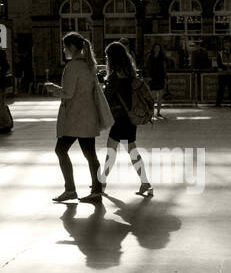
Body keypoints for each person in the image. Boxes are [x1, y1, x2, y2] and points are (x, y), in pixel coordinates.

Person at [44, 31, 105, 203]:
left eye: (65, 47)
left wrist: (53, 88)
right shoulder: (89, 65)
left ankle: (70, 189)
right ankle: (97, 190)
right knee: (90, 154)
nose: (64, 51)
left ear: (71, 47)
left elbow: (68, 93)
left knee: (60, 150)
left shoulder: (71, 67)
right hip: (88, 116)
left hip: (74, 118)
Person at [98, 41, 153, 196]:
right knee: (131, 150)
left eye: (107, 57)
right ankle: (145, 183)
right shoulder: (129, 73)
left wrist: (102, 84)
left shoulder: (115, 77)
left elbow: (106, 96)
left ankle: (102, 183)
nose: (106, 60)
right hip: (130, 117)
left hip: (120, 118)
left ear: (112, 58)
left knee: (112, 151)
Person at [146, 42, 167, 119]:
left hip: (160, 77)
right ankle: (152, 112)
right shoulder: (150, 56)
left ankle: (158, 112)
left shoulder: (162, 57)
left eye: (158, 48)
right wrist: (148, 76)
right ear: (153, 48)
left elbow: (164, 67)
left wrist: (165, 77)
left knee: (160, 96)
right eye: (156, 48)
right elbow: (147, 67)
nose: (157, 49)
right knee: (153, 96)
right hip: (152, 77)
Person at [215, 43, 231, 107]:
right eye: (226, 45)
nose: (227, 46)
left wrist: (230, 69)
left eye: (228, 45)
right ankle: (218, 103)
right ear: (223, 46)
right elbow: (219, 63)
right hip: (222, 74)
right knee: (221, 89)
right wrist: (226, 69)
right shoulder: (220, 53)